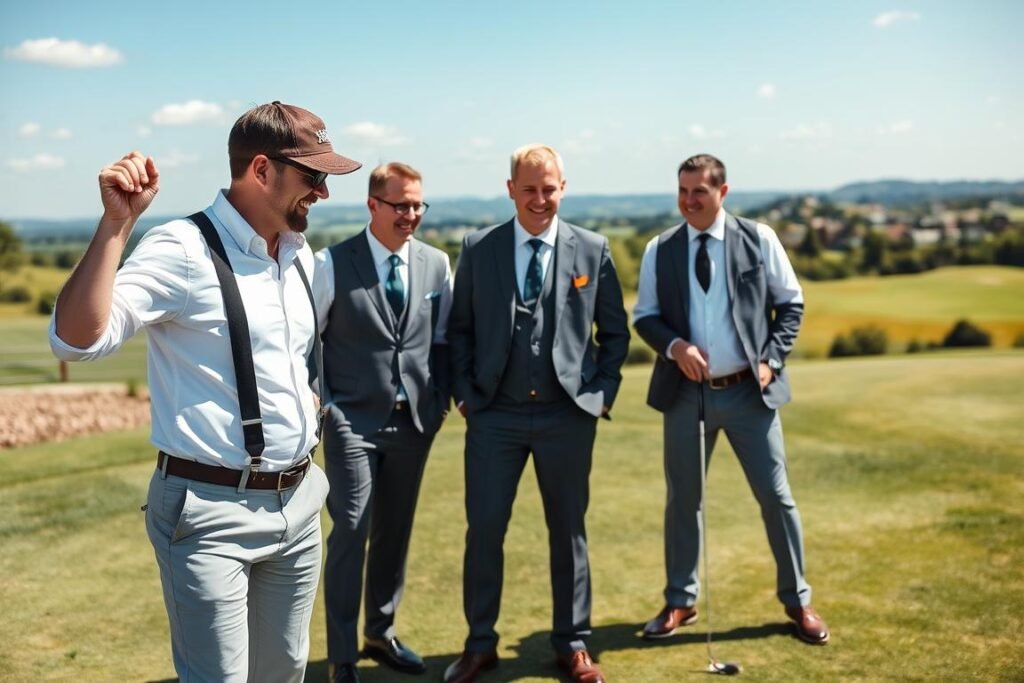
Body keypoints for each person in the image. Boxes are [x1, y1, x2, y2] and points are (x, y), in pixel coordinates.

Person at [49, 101, 362, 682]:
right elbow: (75, 341)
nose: (322, 192)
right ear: (262, 171)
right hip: (210, 512)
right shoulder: (182, 249)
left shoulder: (298, 256)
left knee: (286, 673)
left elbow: (288, 360)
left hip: (297, 502)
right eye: (312, 175)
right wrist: (118, 224)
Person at [444, 144, 630, 683]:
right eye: (529, 189)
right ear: (510, 190)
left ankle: (572, 644)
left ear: (563, 188)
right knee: (483, 531)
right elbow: (459, 331)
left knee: (568, 532)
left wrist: (601, 394)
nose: (540, 199)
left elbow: (613, 334)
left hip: (567, 417)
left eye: (549, 189)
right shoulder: (480, 248)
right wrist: (464, 393)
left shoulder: (592, 250)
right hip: (493, 416)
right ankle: (480, 644)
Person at [633, 154, 830, 645]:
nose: (688, 201)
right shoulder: (660, 248)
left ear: (723, 192)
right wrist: (676, 347)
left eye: (698, 191)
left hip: (749, 394)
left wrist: (771, 361)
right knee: (683, 501)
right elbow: (646, 317)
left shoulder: (759, 238)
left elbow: (791, 304)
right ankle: (681, 601)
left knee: (776, 498)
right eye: (682, 191)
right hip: (684, 396)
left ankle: (798, 601)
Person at [311, 162, 452, 683]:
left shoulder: (437, 265)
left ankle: (381, 633)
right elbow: (308, 344)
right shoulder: (330, 263)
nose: (411, 215)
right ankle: (342, 656)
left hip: (415, 420)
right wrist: (324, 405)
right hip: (350, 418)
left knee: (395, 531)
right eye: (401, 205)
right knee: (351, 527)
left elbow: (442, 342)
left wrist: (437, 404)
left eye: (418, 205)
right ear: (373, 205)